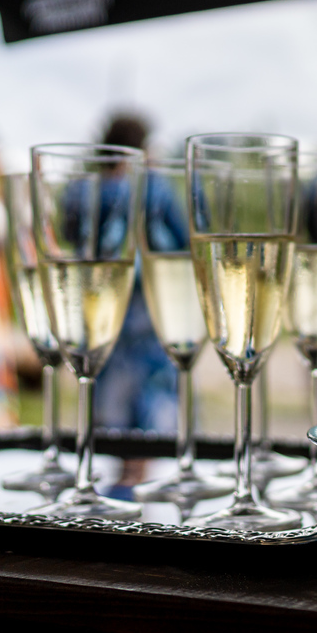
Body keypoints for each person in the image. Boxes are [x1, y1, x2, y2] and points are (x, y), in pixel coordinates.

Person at [94, 113, 179, 432]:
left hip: (108, 314)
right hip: (150, 314)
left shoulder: (88, 189)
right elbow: (185, 240)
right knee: (153, 413)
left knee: (111, 411)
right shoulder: (155, 187)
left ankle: (118, 477)